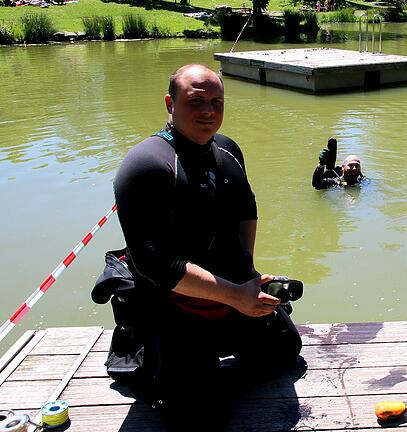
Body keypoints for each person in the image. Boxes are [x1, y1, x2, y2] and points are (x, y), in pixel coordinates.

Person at [112, 64, 302, 416]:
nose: (208, 112)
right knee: (199, 414)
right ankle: (173, 364)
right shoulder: (146, 165)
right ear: (170, 103)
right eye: (196, 101)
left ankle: (217, 354)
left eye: (217, 102)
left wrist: (247, 270)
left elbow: (247, 208)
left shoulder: (228, 150)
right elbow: (154, 264)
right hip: (176, 308)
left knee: (285, 352)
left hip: (232, 295)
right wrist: (235, 295)